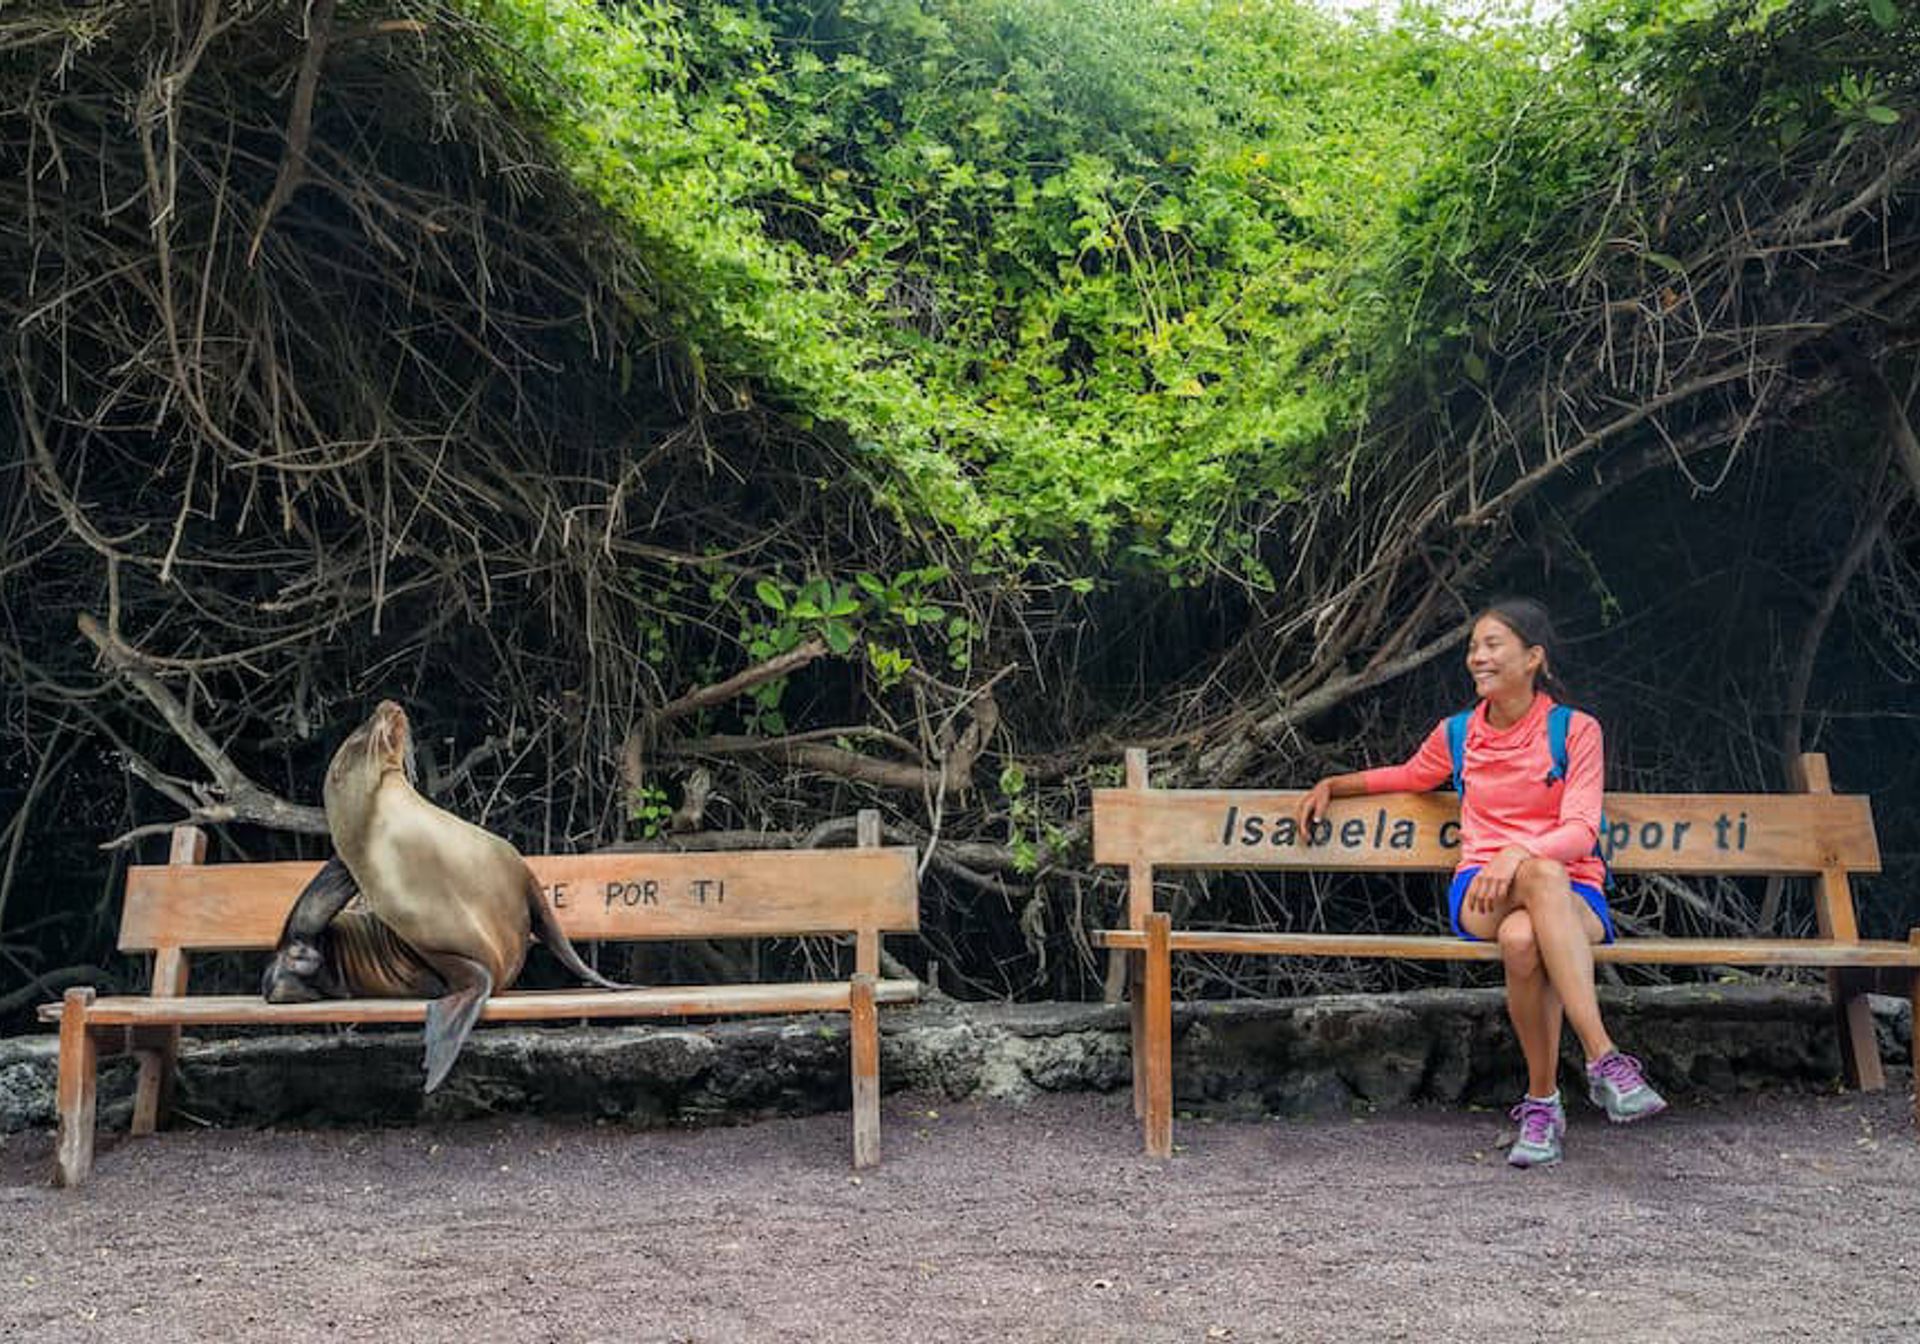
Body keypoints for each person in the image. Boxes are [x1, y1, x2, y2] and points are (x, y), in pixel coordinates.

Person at [1293, 598, 1666, 1167]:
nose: (1477, 657)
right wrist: (1334, 784)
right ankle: (1604, 1058)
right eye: (1474, 647)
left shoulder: (1575, 730)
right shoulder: (1459, 732)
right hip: (1482, 892)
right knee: (1534, 882)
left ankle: (1542, 1105)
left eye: (1493, 645)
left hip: (1573, 891)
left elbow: (1583, 831)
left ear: (1533, 658)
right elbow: (1412, 775)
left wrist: (1518, 853)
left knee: (1523, 936)